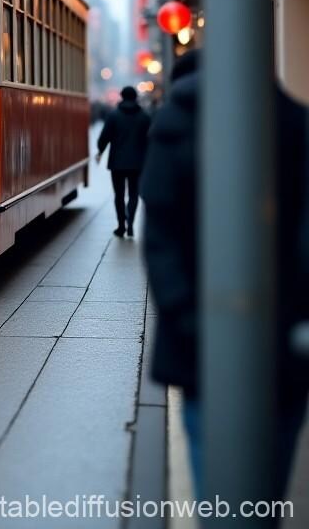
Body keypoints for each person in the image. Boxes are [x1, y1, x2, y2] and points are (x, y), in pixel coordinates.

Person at [140, 50, 309, 501]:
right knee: (267, 492)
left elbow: (159, 235)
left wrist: (192, 320)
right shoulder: (295, 121)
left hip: (199, 349)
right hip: (286, 347)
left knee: (215, 492)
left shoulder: (176, 122)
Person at [95, 85, 151, 238]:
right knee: (134, 194)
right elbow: (150, 139)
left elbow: (104, 137)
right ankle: (131, 222)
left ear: (122, 96)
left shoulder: (114, 115)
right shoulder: (144, 117)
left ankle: (121, 225)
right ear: (135, 97)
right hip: (137, 164)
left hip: (117, 163)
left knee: (118, 195)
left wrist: (100, 150)